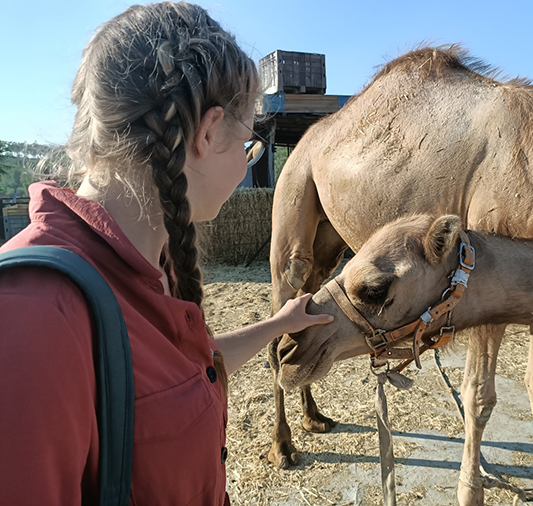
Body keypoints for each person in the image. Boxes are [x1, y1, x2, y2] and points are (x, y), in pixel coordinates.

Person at [0, 3, 332, 505]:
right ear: (208, 132)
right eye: (247, 144)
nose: (247, 167)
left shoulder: (147, 264)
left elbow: (186, 373)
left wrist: (278, 323)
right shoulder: (34, 316)